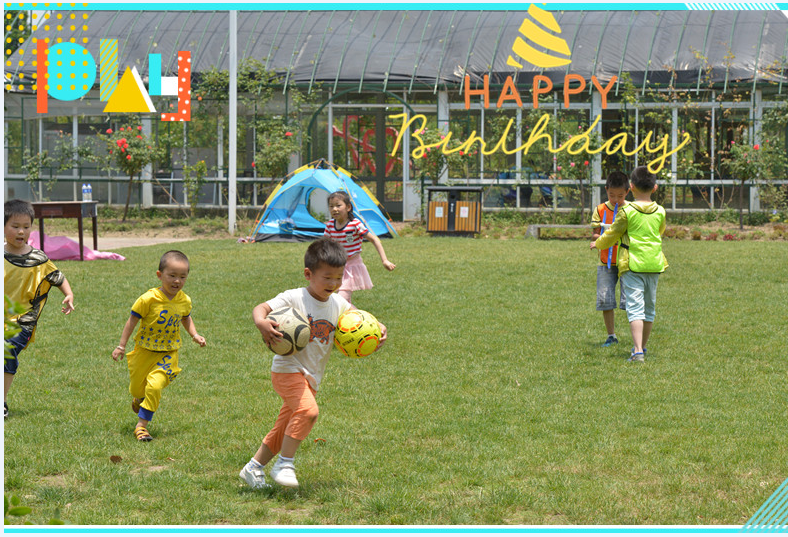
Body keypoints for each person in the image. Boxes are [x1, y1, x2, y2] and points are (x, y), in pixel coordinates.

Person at [240, 238, 387, 489]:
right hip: (287, 369)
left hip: (312, 376)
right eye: (327, 277)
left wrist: (377, 328)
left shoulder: (339, 303)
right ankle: (285, 464)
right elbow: (261, 308)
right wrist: (260, 322)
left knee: (285, 426)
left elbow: (359, 317)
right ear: (308, 274)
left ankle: (253, 467)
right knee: (308, 412)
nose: (334, 284)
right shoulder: (294, 297)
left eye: (339, 278)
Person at [111, 250, 206, 441]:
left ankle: (141, 427)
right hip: (144, 352)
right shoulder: (148, 299)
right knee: (138, 390)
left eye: (182, 277)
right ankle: (139, 398)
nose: (177, 281)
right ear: (159, 275)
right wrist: (121, 346)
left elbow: (186, 318)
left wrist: (194, 334)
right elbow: (132, 321)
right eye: (172, 275)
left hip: (168, 353)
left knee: (154, 387)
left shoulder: (184, 300)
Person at [4, 199, 75, 419]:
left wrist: (69, 294)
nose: (21, 231)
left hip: (22, 321)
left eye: (26, 227)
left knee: (6, 351)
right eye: (15, 226)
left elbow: (57, 277)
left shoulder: (38, 259)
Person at [591, 166, 668, 363]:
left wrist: (597, 243)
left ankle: (638, 351)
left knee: (635, 309)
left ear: (631, 187)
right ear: (655, 188)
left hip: (633, 265)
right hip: (654, 264)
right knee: (649, 309)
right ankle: (642, 347)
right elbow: (659, 232)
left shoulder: (627, 211)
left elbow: (612, 234)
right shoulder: (660, 211)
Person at [323, 190, 395, 305]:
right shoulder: (330, 225)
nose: (334, 209)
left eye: (338, 205)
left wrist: (384, 260)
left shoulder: (355, 224)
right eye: (331, 206)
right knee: (337, 299)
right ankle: (350, 315)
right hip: (336, 266)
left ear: (348, 207)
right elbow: (324, 245)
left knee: (341, 299)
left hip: (352, 266)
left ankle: (355, 315)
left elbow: (374, 239)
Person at [590, 171, 630, 347]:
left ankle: (636, 337)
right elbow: (595, 234)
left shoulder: (631, 210)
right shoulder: (600, 209)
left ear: (627, 192)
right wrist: (599, 239)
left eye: (620, 196)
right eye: (612, 195)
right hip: (605, 262)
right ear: (606, 190)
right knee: (605, 299)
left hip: (627, 262)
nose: (616, 199)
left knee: (630, 301)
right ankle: (611, 335)